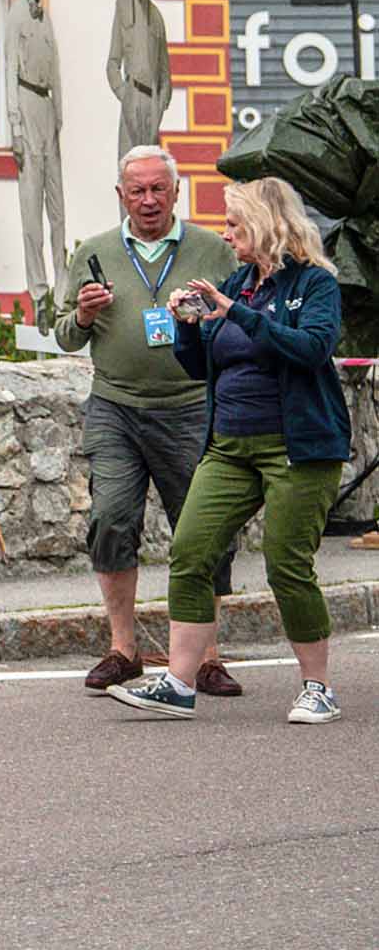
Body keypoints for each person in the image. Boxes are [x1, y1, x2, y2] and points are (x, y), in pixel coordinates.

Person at [115, 178, 351, 725]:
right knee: (191, 551)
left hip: (298, 446)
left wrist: (235, 314)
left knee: (286, 563)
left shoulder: (315, 285)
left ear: (267, 226)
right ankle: (178, 682)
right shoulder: (238, 283)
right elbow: (202, 366)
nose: (226, 234)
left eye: (236, 225)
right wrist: (187, 326)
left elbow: (312, 348)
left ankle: (318, 686)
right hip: (228, 447)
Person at [55, 145, 240, 694]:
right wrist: (84, 313)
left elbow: (240, 324)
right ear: (121, 195)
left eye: (159, 189)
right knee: (111, 518)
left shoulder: (212, 250)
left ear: (176, 192)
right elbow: (64, 333)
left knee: (201, 530)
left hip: (191, 406)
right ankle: (123, 648)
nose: (149, 200)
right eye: (137, 190)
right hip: (115, 405)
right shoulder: (95, 251)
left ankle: (207, 655)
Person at [7, 0, 71, 311]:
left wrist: (58, 117)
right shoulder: (16, 16)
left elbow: (57, 72)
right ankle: (40, 292)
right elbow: (8, 72)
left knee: (57, 208)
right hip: (27, 107)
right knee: (31, 208)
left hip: (47, 111)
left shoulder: (45, 19)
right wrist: (15, 129)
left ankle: (62, 289)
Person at [108, 0, 170, 159]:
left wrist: (159, 107)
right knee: (129, 166)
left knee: (152, 167)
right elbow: (112, 63)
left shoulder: (156, 17)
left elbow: (165, 74)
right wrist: (124, 94)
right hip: (131, 95)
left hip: (152, 102)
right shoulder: (123, 6)